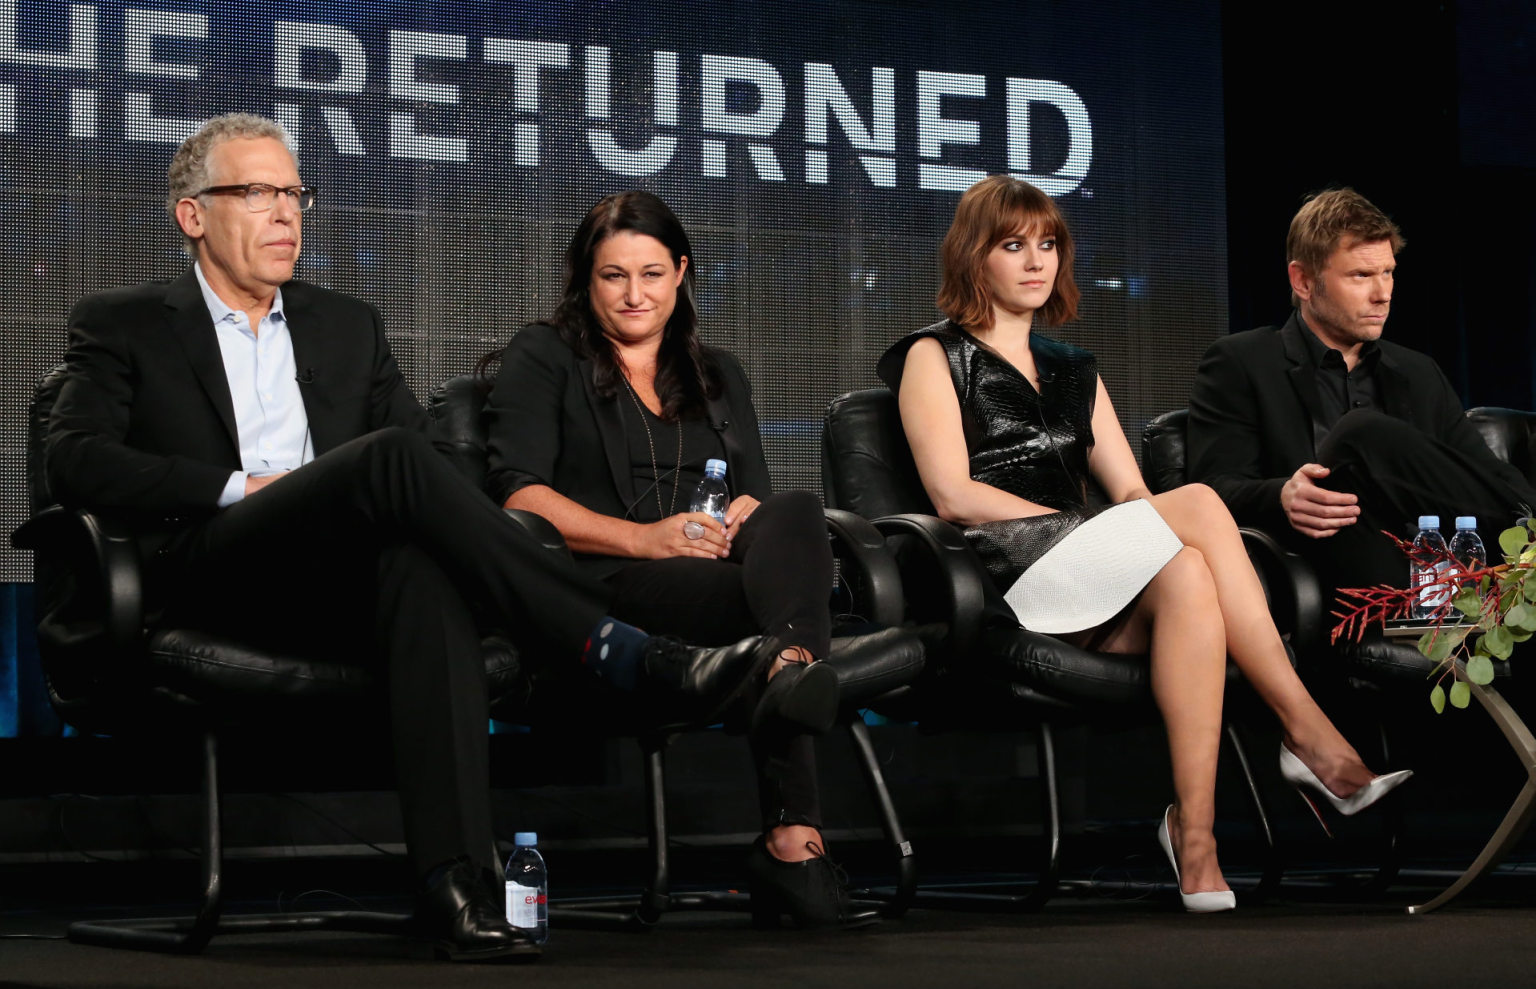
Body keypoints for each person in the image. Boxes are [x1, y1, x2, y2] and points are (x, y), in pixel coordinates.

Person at [45, 115, 779, 961]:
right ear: (192, 215)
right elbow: (76, 460)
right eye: (256, 192)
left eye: (293, 192)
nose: (285, 212)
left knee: (417, 568)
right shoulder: (125, 322)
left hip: (337, 582)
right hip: (213, 566)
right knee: (386, 460)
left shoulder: (346, 325)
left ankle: (456, 884)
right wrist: (245, 487)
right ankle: (615, 644)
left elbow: (434, 466)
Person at [879, 174, 1410, 912]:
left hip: (1087, 574)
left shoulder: (1073, 369)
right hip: (1003, 577)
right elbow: (953, 494)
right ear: (975, 257)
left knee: (1189, 569)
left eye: (1049, 245)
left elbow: (1133, 497)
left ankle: (1195, 839)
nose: (1037, 261)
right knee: (1193, 503)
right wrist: (1079, 527)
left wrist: (1115, 530)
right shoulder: (934, 357)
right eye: (1013, 245)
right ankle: (1309, 732)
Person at [483, 190, 860, 929]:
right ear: (585, 279)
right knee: (766, 619)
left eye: (652, 273)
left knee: (796, 513)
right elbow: (519, 498)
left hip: (716, 575)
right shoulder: (544, 355)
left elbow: (755, 499)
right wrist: (646, 537)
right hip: (604, 584)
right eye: (613, 276)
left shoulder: (718, 372)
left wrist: (748, 512)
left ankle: (788, 669)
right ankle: (795, 839)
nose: (634, 294)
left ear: (681, 272)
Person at [1188, 187, 1535, 591]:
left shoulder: (1418, 372)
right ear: (1302, 280)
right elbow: (1209, 489)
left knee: (1510, 494)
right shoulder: (1241, 362)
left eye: (1388, 272)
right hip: (1330, 560)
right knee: (1359, 434)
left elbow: (1486, 481)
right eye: (1361, 276)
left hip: (1439, 566)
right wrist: (1282, 494)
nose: (1383, 294)